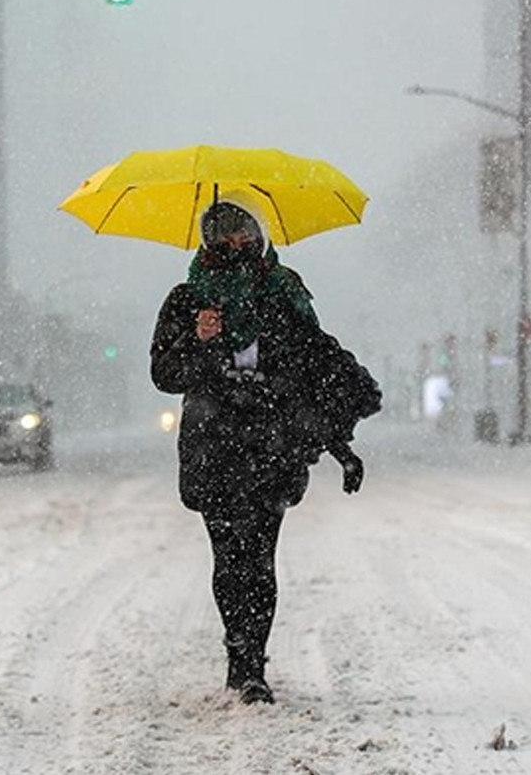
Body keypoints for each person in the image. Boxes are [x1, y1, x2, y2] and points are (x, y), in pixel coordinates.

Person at [150, 198, 380, 704]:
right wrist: (198, 338)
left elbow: (315, 367)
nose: (238, 243)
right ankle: (239, 656)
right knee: (229, 559)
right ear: (209, 241)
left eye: (245, 232)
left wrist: (339, 440)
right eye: (225, 234)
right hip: (214, 449)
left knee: (260, 559)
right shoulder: (188, 300)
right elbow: (165, 374)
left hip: (271, 447)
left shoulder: (284, 293)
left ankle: (253, 667)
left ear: (259, 234)